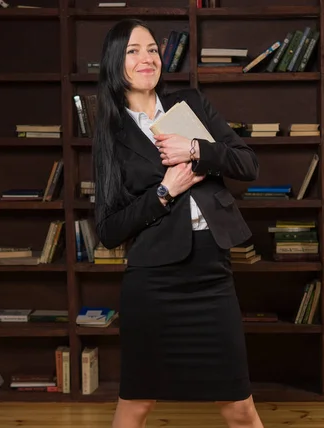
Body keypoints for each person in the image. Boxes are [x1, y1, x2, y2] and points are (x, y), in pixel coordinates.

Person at [92, 18, 264, 428]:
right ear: (115, 62)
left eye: (152, 49)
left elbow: (248, 164)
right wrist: (163, 193)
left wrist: (197, 149)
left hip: (211, 273)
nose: (146, 57)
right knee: (137, 403)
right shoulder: (111, 135)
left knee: (239, 406)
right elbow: (109, 229)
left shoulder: (191, 106)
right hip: (153, 280)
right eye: (133, 51)